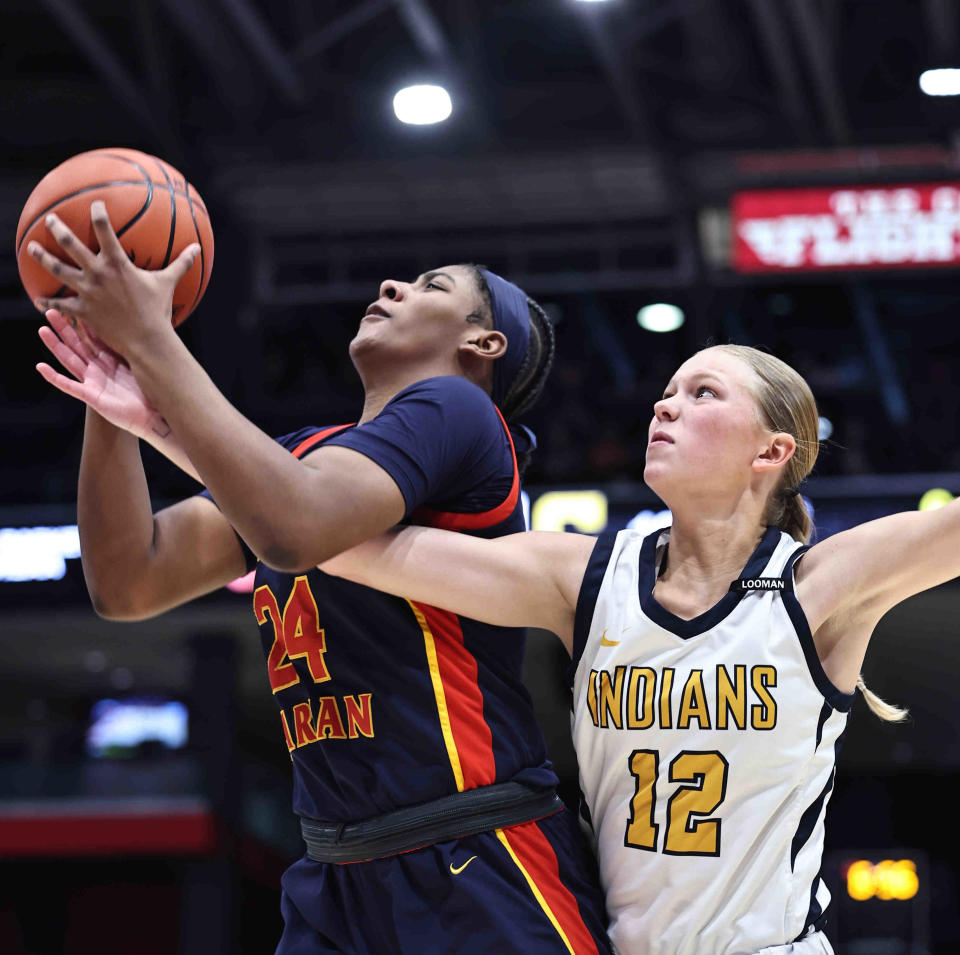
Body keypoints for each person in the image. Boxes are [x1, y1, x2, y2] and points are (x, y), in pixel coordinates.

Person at [28, 204, 612, 955]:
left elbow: (293, 527)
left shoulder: (459, 410)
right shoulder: (299, 456)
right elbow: (129, 580)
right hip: (336, 871)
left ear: (482, 341)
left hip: (473, 852)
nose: (392, 285)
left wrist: (152, 339)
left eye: (430, 286)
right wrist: (111, 389)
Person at [312, 343, 947, 955]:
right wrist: (248, 469)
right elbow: (338, 544)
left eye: (702, 394)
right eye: (667, 394)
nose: (664, 407)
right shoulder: (585, 576)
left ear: (772, 449)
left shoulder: (815, 585)